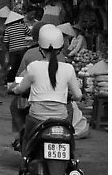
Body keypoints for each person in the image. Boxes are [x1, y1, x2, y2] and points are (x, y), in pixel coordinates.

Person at [11, 25, 83, 160]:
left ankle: (24, 158)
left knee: (26, 136)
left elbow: (19, 84)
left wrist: (15, 89)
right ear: (61, 47)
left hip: (37, 115)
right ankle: (70, 158)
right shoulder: (68, 67)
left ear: (40, 45)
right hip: (61, 117)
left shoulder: (32, 63)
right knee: (69, 136)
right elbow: (78, 95)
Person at [3, 11, 31, 84]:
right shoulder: (23, 26)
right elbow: (30, 33)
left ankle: (10, 83)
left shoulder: (8, 29)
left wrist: (9, 48)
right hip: (22, 49)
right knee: (21, 67)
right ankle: (20, 83)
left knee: (13, 67)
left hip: (12, 51)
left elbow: (5, 41)